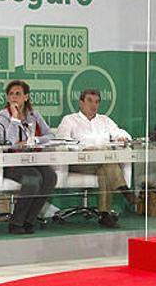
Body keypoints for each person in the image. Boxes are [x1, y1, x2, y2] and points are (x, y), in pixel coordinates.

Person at [55, 89, 136, 226]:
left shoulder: (104, 120)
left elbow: (119, 132)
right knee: (105, 155)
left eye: (97, 102)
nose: (94, 105)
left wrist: (121, 137)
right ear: (81, 103)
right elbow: (62, 141)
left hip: (102, 163)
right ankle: (124, 190)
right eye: (90, 101)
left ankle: (105, 215)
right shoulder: (70, 120)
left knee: (104, 168)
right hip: (80, 162)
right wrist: (83, 148)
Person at [0, 80, 57, 235]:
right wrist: (14, 118)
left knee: (50, 177)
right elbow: (8, 141)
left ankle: (29, 220)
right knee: (33, 179)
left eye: (18, 93)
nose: (14, 97)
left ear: (26, 97)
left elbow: (50, 135)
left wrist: (34, 140)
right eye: (11, 94)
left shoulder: (33, 114)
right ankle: (16, 222)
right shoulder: (2, 116)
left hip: (33, 158)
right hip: (11, 162)